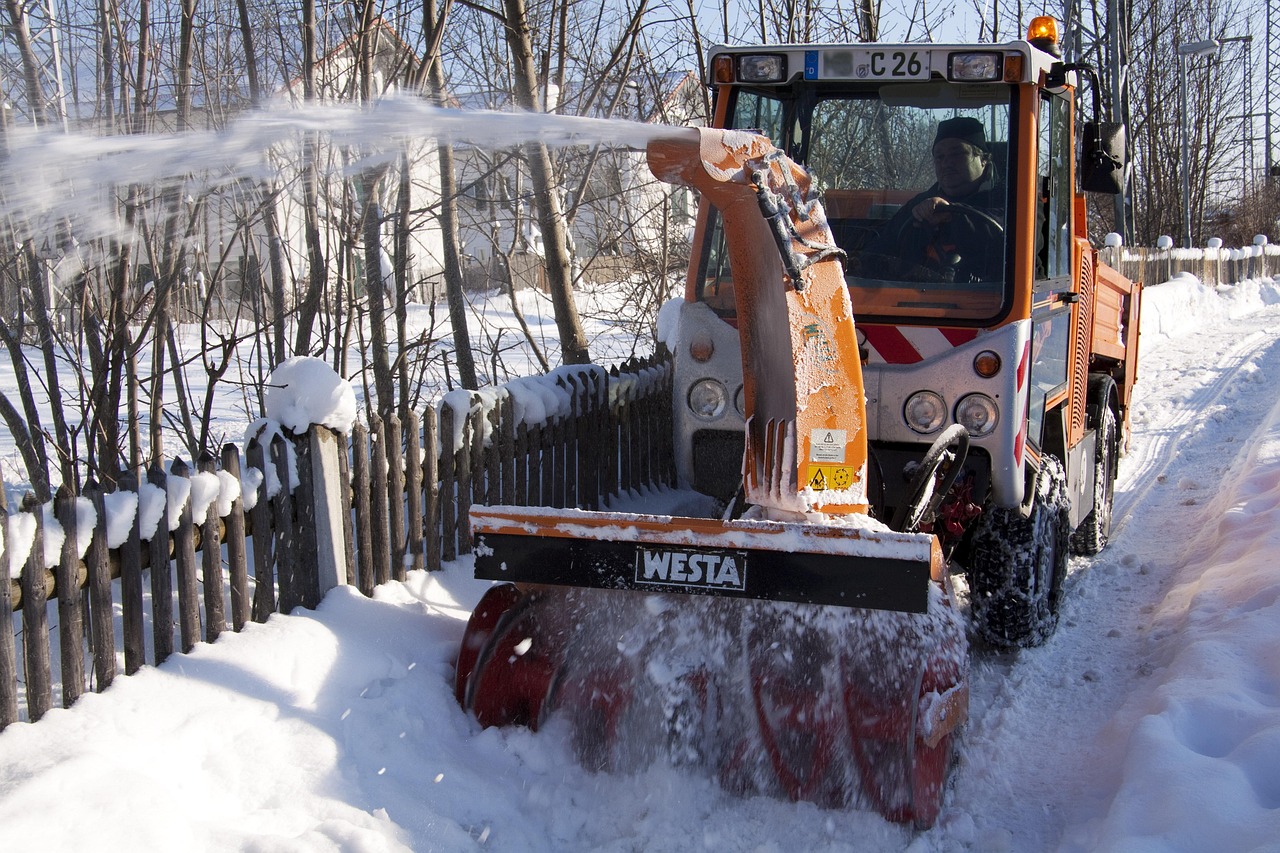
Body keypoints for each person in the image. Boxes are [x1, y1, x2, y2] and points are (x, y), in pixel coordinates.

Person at [865, 116, 1006, 282]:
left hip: (991, 297)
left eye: (957, 154)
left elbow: (1011, 240)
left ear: (983, 159)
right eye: (939, 157)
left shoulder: (1012, 199)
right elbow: (877, 254)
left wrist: (953, 214)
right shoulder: (919, 206)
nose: (946, 163)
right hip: (919, 295)